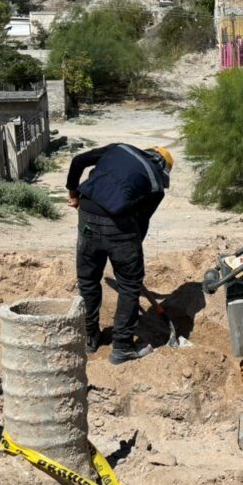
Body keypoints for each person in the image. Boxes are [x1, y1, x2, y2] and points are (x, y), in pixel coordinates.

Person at [65, 143, 173, 365]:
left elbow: (78, 161)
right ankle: (122, 347)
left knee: (88, 280)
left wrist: (73, 194)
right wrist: (129, 261)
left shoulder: (119, 149)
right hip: (120, 228)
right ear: (163, 169)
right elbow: (140, 224)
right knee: (130, 285)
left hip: (87, 212)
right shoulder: (155, 185)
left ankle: (89, 339)